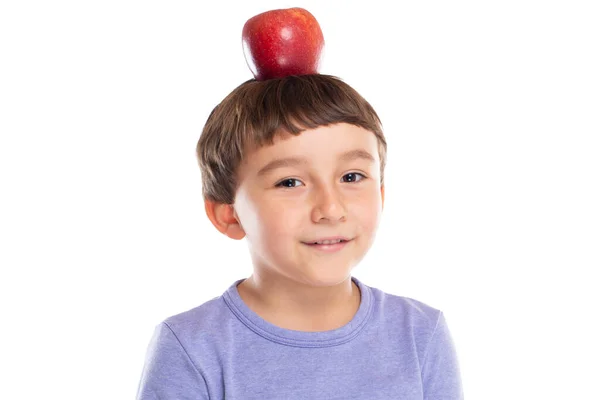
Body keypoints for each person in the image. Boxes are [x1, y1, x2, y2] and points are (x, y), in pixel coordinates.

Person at [136, 74, 463, 399]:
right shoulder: (190, 348)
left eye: (351, 176)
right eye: (289, 182)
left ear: (381, 193)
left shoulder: (420, 335)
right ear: (229, 214)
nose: (331, 209)